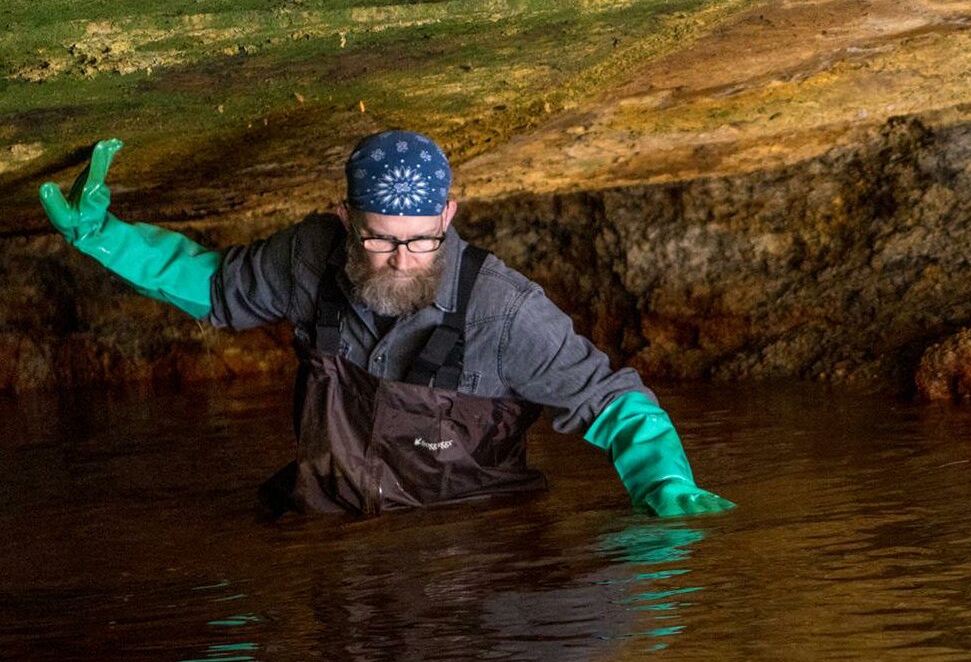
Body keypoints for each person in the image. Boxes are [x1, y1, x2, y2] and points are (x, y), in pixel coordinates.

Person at [37, 131, 734, 518]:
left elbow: (612, 400)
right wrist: (106, 239)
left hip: (472, 539)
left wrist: (663, 485)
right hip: (332, 519)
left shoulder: (505, 309)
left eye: (421, 240)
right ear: (344, 219)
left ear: (449, 218)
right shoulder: (309, 256)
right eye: (378, 240)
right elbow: (217, 285)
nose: (401, 260)